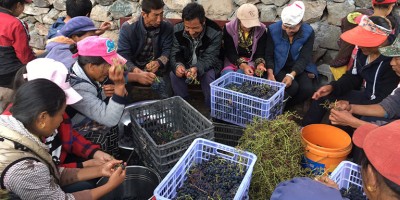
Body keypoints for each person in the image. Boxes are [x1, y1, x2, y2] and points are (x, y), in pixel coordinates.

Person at [0, 79, 126, 199]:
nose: (62, 120)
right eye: (60, 115)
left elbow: (51, 172)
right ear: (43, 118)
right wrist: (110, 186)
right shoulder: (24, 169)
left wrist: (100, 170)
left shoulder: (17, 128)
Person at [302, 15, 400, 127]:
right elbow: (354, 77)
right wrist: (333, 87)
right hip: (366, 96)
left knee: (341, 117)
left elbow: (386, 104)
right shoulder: (363, 51)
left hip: (378, 104)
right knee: (324, 96)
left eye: (366, 42)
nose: (360, 45)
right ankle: (305, 129)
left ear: (381, 42)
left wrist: (350, 108)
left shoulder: (394, 64)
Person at [271, 120, 400, 200]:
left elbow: (287, 192)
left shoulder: (301, 193)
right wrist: (339, 194)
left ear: (371, 177)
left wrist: (325, 193)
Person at [68, 36, 127, 157]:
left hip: (84, 119)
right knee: (106, 129)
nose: (111, 69)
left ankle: (115, 157)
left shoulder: (82, 70)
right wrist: (119, 86)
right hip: (72, 132)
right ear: (92, 67)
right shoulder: (78, 87)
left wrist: (105, 93)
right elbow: (110, 120)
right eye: (108, 65)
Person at [329, 36, 400, 128]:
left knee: (367, 121)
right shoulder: (361, 54)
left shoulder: (387, 67)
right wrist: (350, 108)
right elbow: (390, 107)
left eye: (397, 59)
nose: (392, 63)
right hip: (368, 97)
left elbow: (392, 133)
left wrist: (353, 122)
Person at [265, 1, 318, 108]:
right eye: (285, 27)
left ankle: (285, 108)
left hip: (299, 65)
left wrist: (291, 75)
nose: (288, 30)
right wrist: (270, 73)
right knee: (292, 87)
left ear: (300, 23)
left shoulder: (308, 32)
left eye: (292, 27)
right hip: (279, 65)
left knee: (307, 89)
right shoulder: (273, 30)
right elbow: (268, 54)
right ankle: (276, 108)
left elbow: (304, 57)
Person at [170, 2, 222, 107]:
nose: (191, 32)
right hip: (187, 65)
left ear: (203, 22)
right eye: (187, 27)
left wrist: (196, 68)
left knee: (208, 76)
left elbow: (210, 58)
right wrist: (178, 65)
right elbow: (175, 52)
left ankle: (212, 110)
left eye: (195, 28)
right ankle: (183, 107)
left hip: (208, 66)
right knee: (174, 74)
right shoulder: (177, 30)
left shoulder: (215, 32)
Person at [117, 0, 173, 99]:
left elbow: (167, 51)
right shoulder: (128, 28)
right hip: (133, 67)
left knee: (167, 94)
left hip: (157, 69)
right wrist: (136, 71)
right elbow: (122, 56)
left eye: (161, 14)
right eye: (155, 15)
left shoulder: (167, 26)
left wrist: (158, 62)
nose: (159, 19)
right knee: (121, 89)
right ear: (144, 14)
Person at [330, 0, 398, 80]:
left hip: (356, 57)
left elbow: (346, 22)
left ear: (373, 4)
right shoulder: (392, 24)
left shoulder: (360, 17)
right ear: (391, 6)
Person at [221, 3, 267, 77]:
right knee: (227, 75)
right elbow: (230, 52)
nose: (249, 26)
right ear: (239, 19)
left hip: (251, 61)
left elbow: (260, 52)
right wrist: (243, 65)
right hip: (232, 59)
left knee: (241, 75)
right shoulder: (229, 28)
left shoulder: (261, 30)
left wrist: (260, 64)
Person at [0, 0, 35, 88]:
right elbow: (25, 57)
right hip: (8, 73)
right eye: (23, 5)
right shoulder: (15, 24)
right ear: (18, 5)